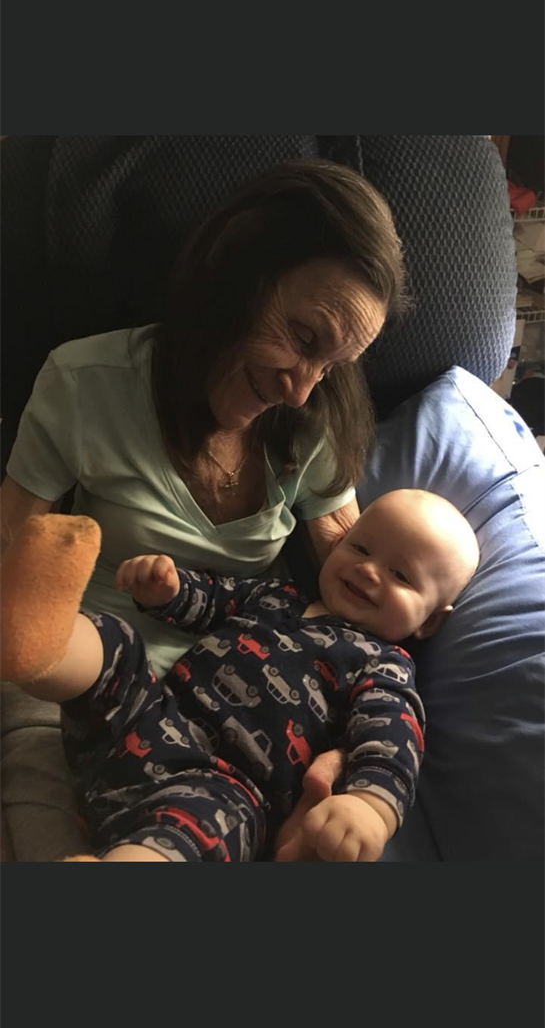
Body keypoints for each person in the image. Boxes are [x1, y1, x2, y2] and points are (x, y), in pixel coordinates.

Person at [0, 159, 407, 854]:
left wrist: (355, 762)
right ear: (237, 267)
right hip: (80, 667)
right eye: (303, 339)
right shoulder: (82, 383)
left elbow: (358, 580)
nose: (302, 389)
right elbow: (12, 540)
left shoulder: (313, 425)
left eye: (331, 366)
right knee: (39, 790)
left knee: (192, 830)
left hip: (230, 719)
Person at [0, 490, 480, 862]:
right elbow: (211, 597)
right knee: (119, 642)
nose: (368, 570)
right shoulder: (278, 595)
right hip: (146, 722)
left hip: (227, 789)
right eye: (360, 546)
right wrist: (167, 588)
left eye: (400, 574)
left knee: (205, 822)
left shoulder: (383, 664)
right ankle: (34, 644)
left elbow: (392, 741)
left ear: (431, 621)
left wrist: (370, 809)